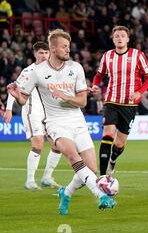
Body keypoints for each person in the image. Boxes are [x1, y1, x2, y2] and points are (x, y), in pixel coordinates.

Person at [7, 29, 115, 215]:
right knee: (74, 157)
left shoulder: (76, 68)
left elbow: (82, 101)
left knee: (91, 169)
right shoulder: (37, 72)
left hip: (77, 121)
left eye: (69, 46)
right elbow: (23, 100)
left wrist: (65, 96)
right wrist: (17, 97)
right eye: (64, 46)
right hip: (55, 123)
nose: (68, 49)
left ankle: (66, 192)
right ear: (53, 48)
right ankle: (100, 195)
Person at [90, 25, 148, 175]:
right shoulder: (107, 56)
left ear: (128, 39)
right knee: (107, 134)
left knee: (119, 144)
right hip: (111, 101)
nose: (119, 38)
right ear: (113, 39)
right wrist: (95, 85)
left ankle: (113, 159)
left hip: (130, 104)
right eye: (116, 36)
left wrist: (139, 92)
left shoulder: (138, 55)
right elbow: (99, 75)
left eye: (122, 36)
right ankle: (103, 175)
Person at [3, 42, 62, 190]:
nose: (44, 56)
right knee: (38, 145)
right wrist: (9, 109)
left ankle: (47, 177)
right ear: (35, 54)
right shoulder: (28, 71)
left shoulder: (54, 70)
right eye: (41, 53)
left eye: (46, 53)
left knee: (58, 145)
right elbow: (14, 89)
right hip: (32, 112)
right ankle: (29, 180)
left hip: (49, 113)